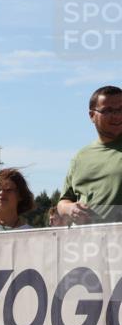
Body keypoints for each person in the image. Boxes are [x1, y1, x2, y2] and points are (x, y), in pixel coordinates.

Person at [57, 85, 122, 225]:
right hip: (87, 243)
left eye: (121, 109)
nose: (117, 115)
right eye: (108, 110)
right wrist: (70, 208)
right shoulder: (80, 157)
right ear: (92, 115)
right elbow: (63, 202)